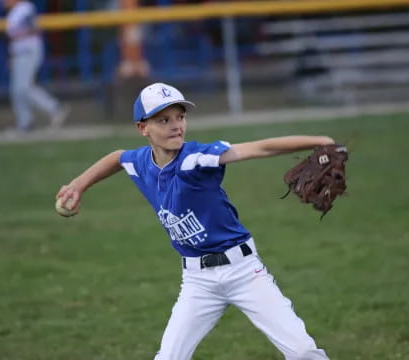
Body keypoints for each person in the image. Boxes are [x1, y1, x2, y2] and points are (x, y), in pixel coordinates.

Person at [56, 82, 334, 360]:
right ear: (143, 128)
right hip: (197, 281)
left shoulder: (197, 158)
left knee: (303, 352)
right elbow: (117, 158)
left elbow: (259, 148)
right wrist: (78, 185)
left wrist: (319, 141)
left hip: (243, 272)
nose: (176, 125)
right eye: (163, 120)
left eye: (180, 117)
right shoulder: (141, 162)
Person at [2, 0, 70, 132]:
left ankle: (54, 108)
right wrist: (12, 56)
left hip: (28, 51)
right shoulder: (13, 13)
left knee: (23, 88)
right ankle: (25, 122)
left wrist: (19, 33)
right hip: (19, 53)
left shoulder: (25, 7)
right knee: (18, 89)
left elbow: (33, 28)